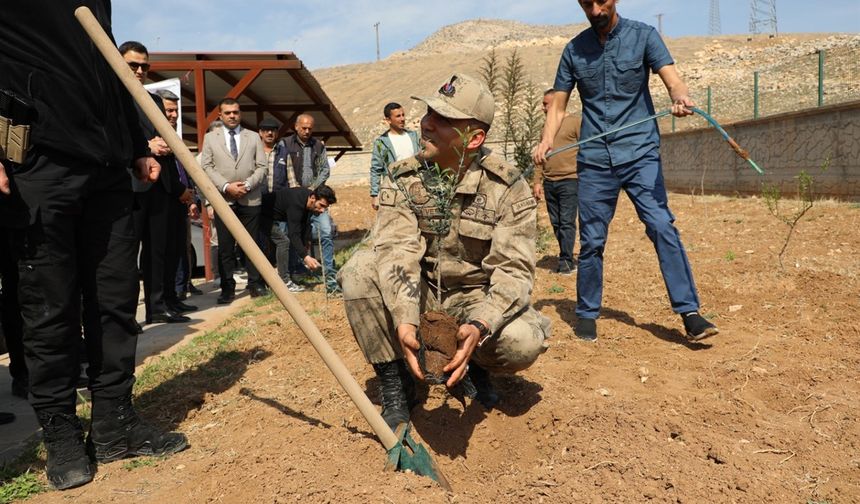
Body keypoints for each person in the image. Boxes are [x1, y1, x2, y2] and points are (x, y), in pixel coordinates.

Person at [0, 1, 187, 490]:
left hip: (106, 169)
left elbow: (106, 67)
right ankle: (60, 434)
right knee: (49, 308)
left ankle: (114, 423)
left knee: (115, 301)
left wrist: (137, 145)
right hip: (39, 163)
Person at [339, 73, 550, 430]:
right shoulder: (403, 177)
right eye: (427, 114)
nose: (425, 124)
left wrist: (480, 323)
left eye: (443, 119)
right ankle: (396, 382)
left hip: (474, 296)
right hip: (420, 293)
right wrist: (405, 319)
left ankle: (476, 363)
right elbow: (396, 251)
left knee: (522, 342)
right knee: (359, 272)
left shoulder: (507, 187)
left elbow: (513, 270)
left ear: (474, 138)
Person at [533, 0, 719, 343]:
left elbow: (673, 80)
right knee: (591, 240)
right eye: (587, 4)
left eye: (600, 1)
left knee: (661, 225)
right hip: (594, 159)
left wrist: (681, 98)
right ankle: (587, 312)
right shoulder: (574, 50)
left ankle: (690, 312)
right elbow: (558, 104)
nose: (595, 9)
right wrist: (546, 140)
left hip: (639, 153)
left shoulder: (644, 36)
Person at [121, 41, 191, 324]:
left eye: (144, 66)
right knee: (125, 256)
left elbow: (167, 144)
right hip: (130, 187)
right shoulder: (113, 97)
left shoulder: (152, 101)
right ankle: (124, 318)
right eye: (133, 65)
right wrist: (148, 147)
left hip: (159, 187)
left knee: (157, 252)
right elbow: (114, 139)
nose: (139, 70)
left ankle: (157, 306)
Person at [200, 98, 269, 303]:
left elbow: (262, 167)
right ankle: (227, 288)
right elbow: (207, 166)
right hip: (224, 200)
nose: (232, 116)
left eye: (236, 112)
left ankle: (255, 283)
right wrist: (226, 186)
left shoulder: (254, 137)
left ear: (240, 114)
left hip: (250, 198)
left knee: (252, 244)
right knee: (225, 247)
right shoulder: (211, 138)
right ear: (220, 115)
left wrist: (247, 185)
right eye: (228, 113)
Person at [271, 114, 339, 294]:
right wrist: (296, 191)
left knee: (325, 232)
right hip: (294, 199)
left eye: (310, 128)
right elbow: (280, 168)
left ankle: (329, 278)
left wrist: (313, 190)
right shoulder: (285, 144)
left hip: (315, 199)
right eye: (304, 128)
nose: (307, 131)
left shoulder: (318, 145)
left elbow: (325, 169)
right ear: (296, 127)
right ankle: (294, 272)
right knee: (291, 235)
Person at [533, 89, 581, 275]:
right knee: (556, 222)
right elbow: (539, 156)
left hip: (570, 180)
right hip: (550, 182)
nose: (543, 108)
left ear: (557, 104)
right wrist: (537, 181)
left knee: (567, 222)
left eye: (546, 104)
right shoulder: (546, 129)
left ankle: (566, 262)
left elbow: (587, 150)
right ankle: (565, 255)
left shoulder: (575, 123)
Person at [261, 185, 337, 284]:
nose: (322, 211)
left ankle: (278, 277)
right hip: (261, 214)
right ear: (313, 198)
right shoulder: (296, 202)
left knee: (286, 243)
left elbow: (305, 223)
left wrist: (306, 240)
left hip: (272, 217)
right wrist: (306, 257)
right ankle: (284, 281)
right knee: (283, 241)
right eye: (321, 205)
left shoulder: (308, 200)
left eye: (325, 208)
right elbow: (294, 234)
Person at [258, 117, 298, 290]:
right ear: (260, 133)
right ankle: (261, 279)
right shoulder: (254, 151)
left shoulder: (283, 152)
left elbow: (292, 180)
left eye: (273, 130)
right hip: (257, 204)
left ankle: (281, 276)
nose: (269, 133)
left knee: (280, 240)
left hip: (277, 205)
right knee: (260, 243)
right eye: (266, 130)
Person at [369, 102, 420, 210]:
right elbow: (376, 169)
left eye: (403, 115)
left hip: (416, 187)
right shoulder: (381, 142)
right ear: (388, 120)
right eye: (398, 116)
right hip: (395, 189)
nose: (402, 119)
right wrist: (375, 195)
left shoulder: (414, 136)